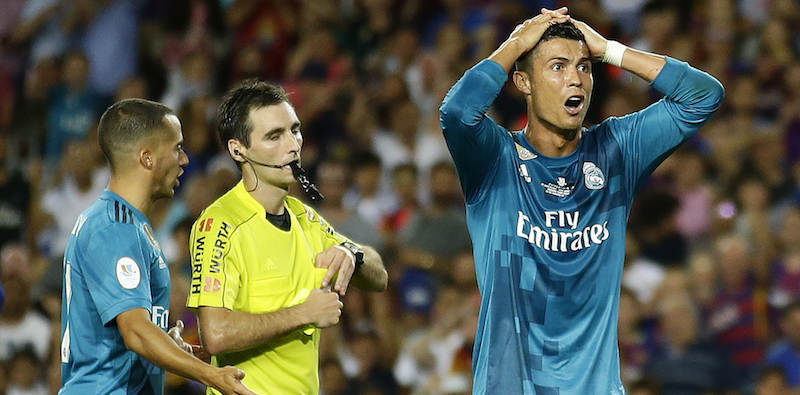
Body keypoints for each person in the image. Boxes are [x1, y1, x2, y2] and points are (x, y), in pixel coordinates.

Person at [439, 7, 724, 395]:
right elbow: (457, 113)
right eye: (557, 67)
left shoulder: (616, 150)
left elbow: (704, 96)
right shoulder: (495, 159)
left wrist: (609, 50)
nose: (575, 79)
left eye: (584, 67)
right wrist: (517, 43)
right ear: (523, 82)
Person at [187, 80, 389, 395]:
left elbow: (379, 278)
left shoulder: (305, 218)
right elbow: (215, 333)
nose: (293, 145)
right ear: (237, 150)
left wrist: (352, 253)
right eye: (274, 136)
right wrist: (302, 314)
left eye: (294, 130)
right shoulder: (220, 225)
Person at [58, 98, 255, 395]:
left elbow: (131, 333)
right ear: (147, 158)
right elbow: (136, 332)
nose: (184, 159)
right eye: (176, 148)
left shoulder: (126, 224)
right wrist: (212, 376)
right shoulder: (115, 228)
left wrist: (169, 344)